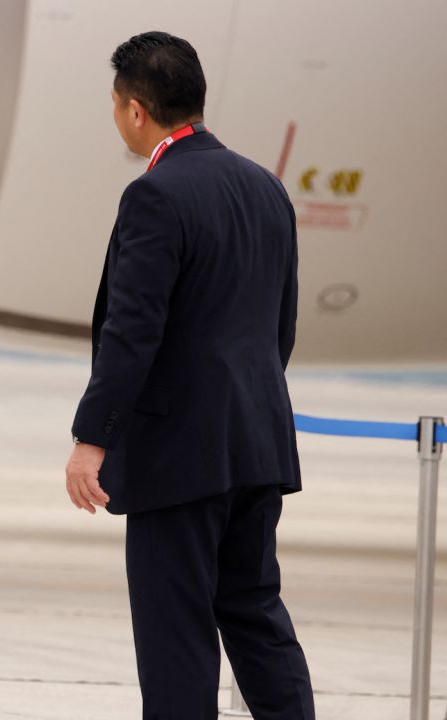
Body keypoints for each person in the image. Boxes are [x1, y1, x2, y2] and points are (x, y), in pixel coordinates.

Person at [64, 31, 314, 719]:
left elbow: (132, 331)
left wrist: (93, 437)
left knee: (176, 635)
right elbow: (280, 326)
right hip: (257, 442)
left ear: (137, 110)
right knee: (256, 614)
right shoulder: (265, 187)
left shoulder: (156, 194)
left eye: (117, 105)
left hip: (179, 457)